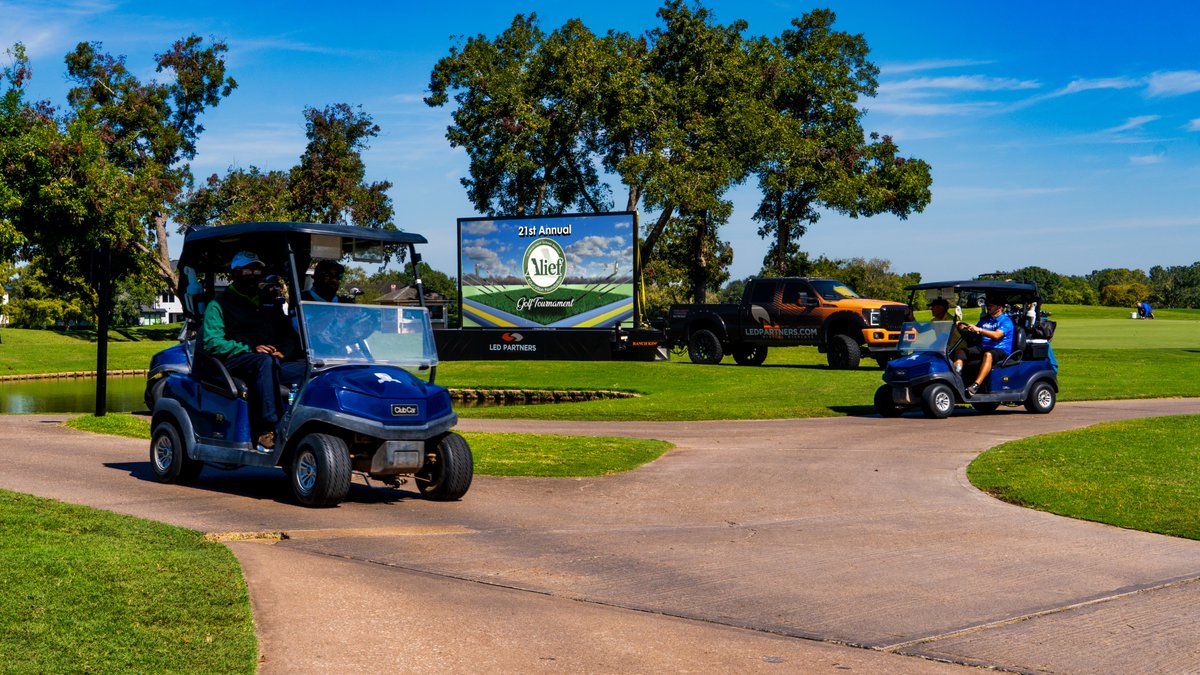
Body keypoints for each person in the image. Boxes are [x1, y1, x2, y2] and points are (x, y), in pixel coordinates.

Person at [201, 251, 305, 450]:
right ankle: (267, 430)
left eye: (256, 269)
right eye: (247, 270)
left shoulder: (268, 301)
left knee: (308, 369)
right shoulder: (219, 304)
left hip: (268, 359)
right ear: (235, 272)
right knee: (263, 362)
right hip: (233, 360)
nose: (253, 274)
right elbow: (213, 343)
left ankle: (305, 421)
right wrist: (250, 348)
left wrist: (282, 351)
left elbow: (288, 334)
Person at [953, 295, 1014, 396]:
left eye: (991, 305)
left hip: (1000, 350)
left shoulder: (1005, 321)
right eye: (988, 305)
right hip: (983, 347)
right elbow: (976, 331)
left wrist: (979, 330)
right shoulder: (985, 320)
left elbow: (996, 335)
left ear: (999, 308)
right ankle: (956, 376)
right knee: (961, 351)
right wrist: (965, 327)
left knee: (988, 355)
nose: (988, 307)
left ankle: (976, 385)